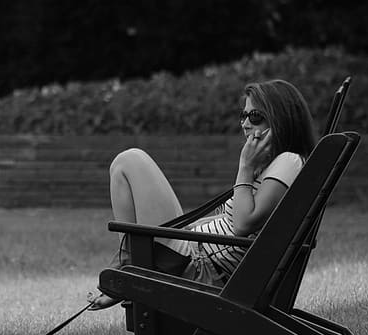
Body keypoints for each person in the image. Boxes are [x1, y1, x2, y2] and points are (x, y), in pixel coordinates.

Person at [87, 79, 318, 310]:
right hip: (196, 256)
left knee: (130, 161)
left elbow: (243, 224)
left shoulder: (288, 161)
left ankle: (128, 275)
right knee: (123, 165)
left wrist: (245, 168)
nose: (245, 124)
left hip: (202, 271)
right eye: (243, 115)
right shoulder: (276, 165)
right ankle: (129, 273)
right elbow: (235, 222)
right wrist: (193, 227)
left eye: (255, 116)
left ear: (281, 119)